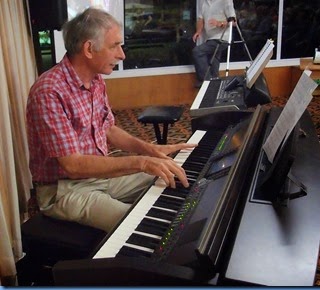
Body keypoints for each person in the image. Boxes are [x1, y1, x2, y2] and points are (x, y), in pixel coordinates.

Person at [26, 7, 196, 232]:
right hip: (64, 190)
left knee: (176, 178)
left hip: (99, 177)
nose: (122, 55)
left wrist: (151, 150)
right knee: (146, 226)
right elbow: (74, 166)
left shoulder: (96, 80)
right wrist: (141, 162)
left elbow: (109, 129)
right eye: (115, 46)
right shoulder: (49, 91)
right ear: (88, 48)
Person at [192, 0, 236, 88]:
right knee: (213, 62)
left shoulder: (225, 1)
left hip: (222, 38)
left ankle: (206, 82)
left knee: (197, 51)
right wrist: (199, 31)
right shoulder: (204, 3)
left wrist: (220, 23)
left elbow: (234, 22)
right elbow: (201, 19)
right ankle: (215, 85)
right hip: (210, 38)